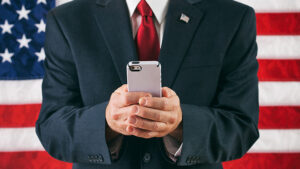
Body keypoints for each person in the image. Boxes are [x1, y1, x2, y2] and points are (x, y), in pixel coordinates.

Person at [35, 0, 259, 168]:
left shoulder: (233, 18)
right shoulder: (67, 20)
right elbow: (51, 127)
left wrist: (181, 124)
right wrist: (106, 122)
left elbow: (242, 126)